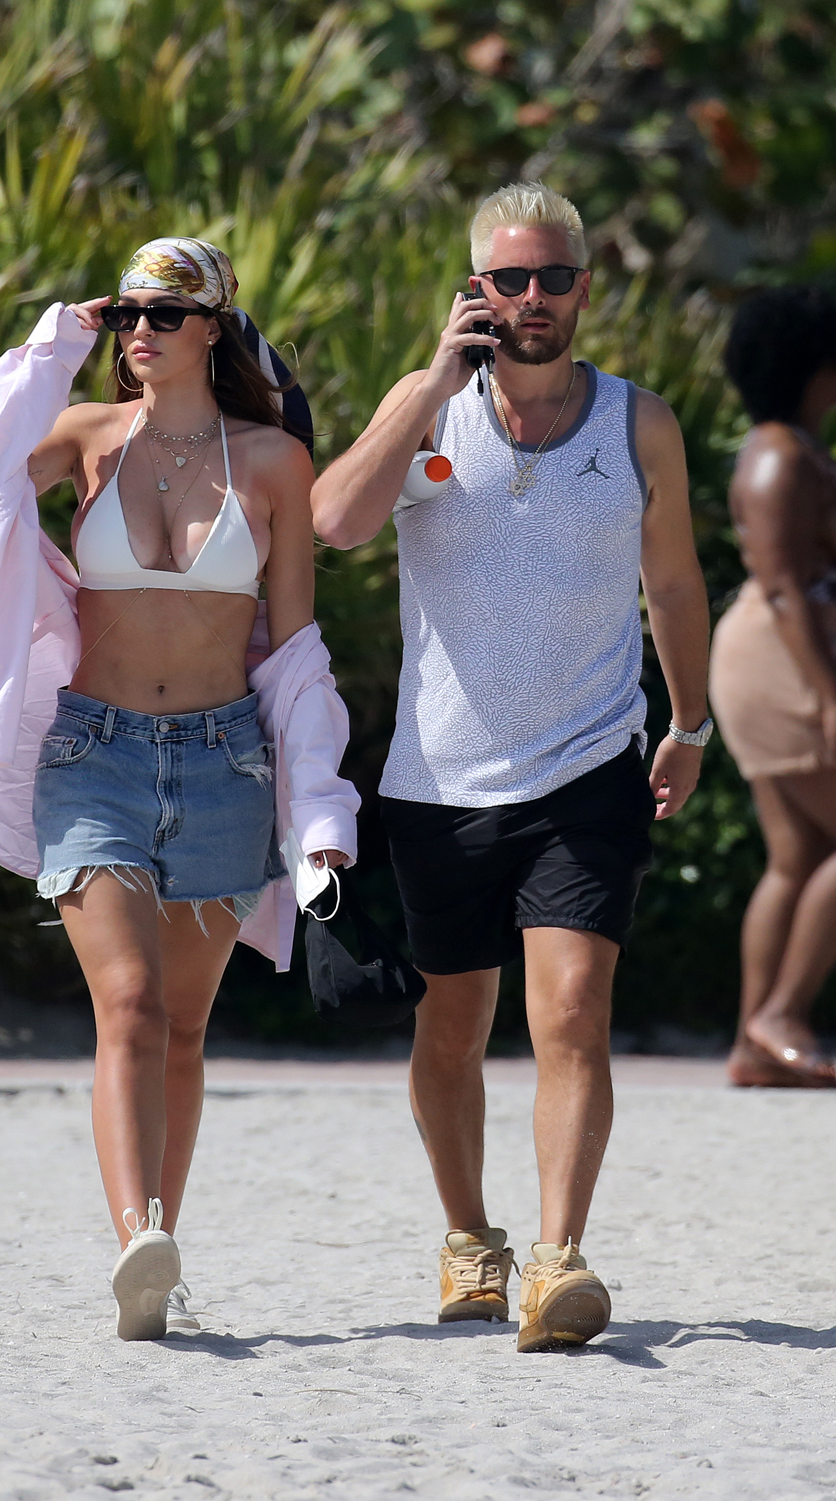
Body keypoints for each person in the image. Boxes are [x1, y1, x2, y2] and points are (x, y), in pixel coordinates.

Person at [0, 237, 359, 1339]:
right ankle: (138, 1239)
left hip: (224, 760)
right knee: (127, 1003)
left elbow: (296, 648)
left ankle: (159, 1255)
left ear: (213, 325)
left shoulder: (271, 460)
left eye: (165, 314)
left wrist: (320, 816)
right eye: (129, 317)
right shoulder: (83, 438)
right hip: (93, 755)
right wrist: (49, 346)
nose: (142, 333)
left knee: (183, 1029)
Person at [311, 183, 710, 1352]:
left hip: (590, 767)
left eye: (554, 278)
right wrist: (427, 387)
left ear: (587, 286)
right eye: (509, 279)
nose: (532, 299)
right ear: (474, 287)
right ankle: (470, 1238)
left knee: (573, 1014)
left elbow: (674, 586)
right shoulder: (426, 408)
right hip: (439, 780)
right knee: (452, 1026)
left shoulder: (639, 423)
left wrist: (686, 726)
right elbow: (333, 521)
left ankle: (557, 1260)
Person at [710, 287, 836, 1089]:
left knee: (798, 856)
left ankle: (755, 1046)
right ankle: (782, 1013)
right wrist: (829, 696)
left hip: (785, 653)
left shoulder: (789, 445)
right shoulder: (780, 455)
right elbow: (787, 585)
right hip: (783, 659)